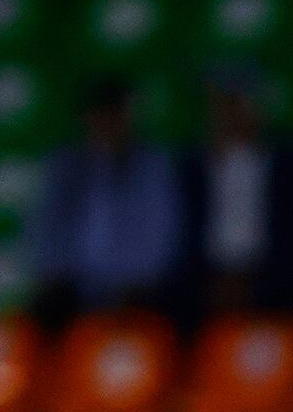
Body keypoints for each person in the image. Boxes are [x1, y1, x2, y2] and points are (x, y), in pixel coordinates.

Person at [29, 78, 182, 326]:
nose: (108, 123)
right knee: (45, 313)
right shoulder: (65, 165)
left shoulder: (152, 166)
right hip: (74, 283)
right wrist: (55, 273)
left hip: (136, 284)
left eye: (116, 115)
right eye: (101, 115)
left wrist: (135, 280)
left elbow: (161, 231)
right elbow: (45, 227)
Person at [182, 73, 293, 318]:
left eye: (238, 102)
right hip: (208, 281)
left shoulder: (286, 162)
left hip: (271, 280)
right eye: (224, 104)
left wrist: (254, 279)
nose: (231, 112)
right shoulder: (192, 164)